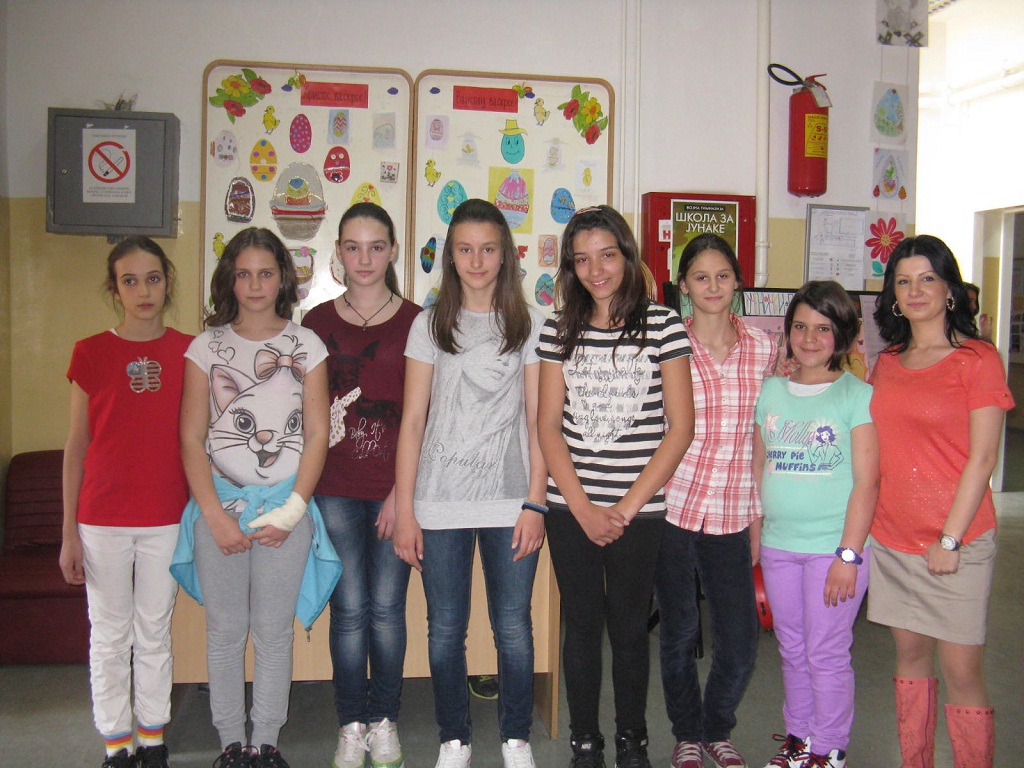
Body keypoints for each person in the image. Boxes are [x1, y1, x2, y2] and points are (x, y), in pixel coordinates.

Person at [173, 226, 338, 768]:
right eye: (243, 274)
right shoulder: (205, 348)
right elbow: (191, 437)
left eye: (265, 273)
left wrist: (292, 511)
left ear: (283, 279)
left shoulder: (307, 345)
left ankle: (265, 741)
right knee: (224, 632)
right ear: (229, 280)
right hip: (219, 507)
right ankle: (230, 743)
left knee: (271, 632)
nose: (255, 284)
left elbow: (317, 433)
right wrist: (214, 516)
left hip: (286, 509)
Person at [537, 205, 695, 768]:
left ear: (627, 256)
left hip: (639, 511)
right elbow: (547, 426)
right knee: (581, 627)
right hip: (571, 508)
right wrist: (582, 508)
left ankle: (633, 739)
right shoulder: (559, 328)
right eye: (582, 260)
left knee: (629, 629)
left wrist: (624, 509)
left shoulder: (664, 325)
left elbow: (680, 428)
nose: (596, 270)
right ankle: (585, 739)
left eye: (607, 255)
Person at [393, 199, 547, 768]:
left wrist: (536, 501)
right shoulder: (429, 324)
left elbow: (538, 421)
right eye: (465, 249)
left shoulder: (529, 324)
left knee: (513, 628)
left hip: (511, 503)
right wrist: (406, 510)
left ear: (505, 255)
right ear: (450, 257)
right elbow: (413, 421)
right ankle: (453, 738)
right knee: (444, 630)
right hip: (439, 502)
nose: (477, 261)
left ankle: (515, 738)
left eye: (487, 249)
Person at [869, 235, 1013, 768]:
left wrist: (950, 540)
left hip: (958, 543)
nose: (915, 290)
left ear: (949, 288)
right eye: (903, 281)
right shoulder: (886, 362)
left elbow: (983, 457)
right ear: (892, 295)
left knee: (961, 672)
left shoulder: (977, 359)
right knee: (910, 661)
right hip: (893, 539)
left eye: (927, 278)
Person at [60, 237, 192, 768]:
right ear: (115, 290)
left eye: (153, 278)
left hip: (166, 517)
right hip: (102, 519)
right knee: (110, 636)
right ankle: (116, 742)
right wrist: (68, 533)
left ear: (167, 282)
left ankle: (152, 737)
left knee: (154, 632)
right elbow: (77, 446)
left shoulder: (190, 351)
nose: (143, 291)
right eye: (130, 281)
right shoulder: (90, 352)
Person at [302, 203, 420, 768]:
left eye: (376, 247)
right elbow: (305, 412)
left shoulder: (419, 321)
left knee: (388, 608)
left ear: (393, 250)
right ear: (339, 253)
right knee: (348, 609)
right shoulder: (315, 322)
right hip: (334, 486)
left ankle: (384, 720)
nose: (365, 258)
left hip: (397, 487)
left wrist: (404, 492)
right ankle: (351, 723)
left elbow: (426, 415)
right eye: (353, 247)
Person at [655, 233, 778, 768]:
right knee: (679, 631)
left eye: (722, 276)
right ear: (683, 286)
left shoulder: (765, 349)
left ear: (737, 282)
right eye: (700, 277)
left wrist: (759, 518)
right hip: (674, 508)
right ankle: (687, 733)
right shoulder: (668, 345)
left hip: (733, 511)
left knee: (740, 637)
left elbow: (763, 436)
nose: (712, 286)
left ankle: (716, 728)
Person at [753, 281, 878, 768]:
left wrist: (849, 555)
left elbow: (866, 482)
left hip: (834, 550)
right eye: (801, 327)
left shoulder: (857, 396)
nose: (809, 338)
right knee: (792, 648)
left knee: (825, 652)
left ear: (842, 335)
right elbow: (759, 467)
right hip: (779, 547)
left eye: (823, 328)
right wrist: (756, 538)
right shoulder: (771, 391)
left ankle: (829, 748)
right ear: (787, 332)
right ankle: (799, 738)